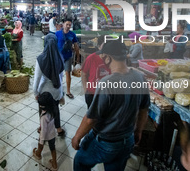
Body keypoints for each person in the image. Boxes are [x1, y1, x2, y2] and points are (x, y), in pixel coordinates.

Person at [72, 40, 150, 171]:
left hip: (106, 141)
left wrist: (77, 137)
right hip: (127, 140)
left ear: (108, 58)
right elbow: (144, 109)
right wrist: (138, 131)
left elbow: (91, 118)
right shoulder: (140, 77)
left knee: (80, 162)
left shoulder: (107, 83)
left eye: (103, 57)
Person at [33, 33, 65, 136]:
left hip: (44, 92)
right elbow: (61, 77)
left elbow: (36, 79)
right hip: (56, 90)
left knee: (43, 110)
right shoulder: (60, 57)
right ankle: (58, 128)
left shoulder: (41, 59)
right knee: (55, 108)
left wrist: (36, 93)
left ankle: (43, 127)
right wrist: (60, 92)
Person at [81, 35, 110, 108]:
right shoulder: (91, 58)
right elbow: (84, 74)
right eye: (105, 45)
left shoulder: (113, 60)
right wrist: (86, 90)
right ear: (99, 46)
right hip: (92, 94)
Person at [33, 92, 58, 171]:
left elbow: (44, 131)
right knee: (52, 148)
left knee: (40, 145)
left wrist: (41, 140)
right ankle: (54, 163)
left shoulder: (44, 116)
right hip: (52, 133)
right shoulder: (53, 110)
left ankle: (38, 154)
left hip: (45, 135)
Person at [56, 19, 80, 99]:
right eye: (67, 24)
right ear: (63, 24)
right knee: (58, 74)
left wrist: (77, 57)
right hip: (59, 57)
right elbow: (54, 44)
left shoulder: (72, 34)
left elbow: (76, 45)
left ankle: (68, 91)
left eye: (70, 25)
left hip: (68, 56)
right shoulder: (57, 33)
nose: (68, 26)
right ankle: (58, 89)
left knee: (67, 73)